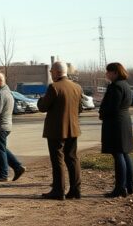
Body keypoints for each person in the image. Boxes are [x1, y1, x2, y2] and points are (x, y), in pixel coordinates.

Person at [37, 61, 83, 200]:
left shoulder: (54, 87)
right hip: (73, 128)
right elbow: (80, 109)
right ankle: (75, 190)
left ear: (57, 72)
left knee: (58, 160)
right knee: (72, 158)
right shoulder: (77, 87)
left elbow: (43, 107)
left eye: (51, 71)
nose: (51, 73)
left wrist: (40, 100)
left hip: (56, 130)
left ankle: (59, 190)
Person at [99, 62, 133, 197]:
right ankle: (130, 185)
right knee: (125, 153)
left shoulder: (115, 87)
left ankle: (120, 188)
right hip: (124, 121)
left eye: (108, 72)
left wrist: (102, 114)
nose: (106, 74)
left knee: (118, 154)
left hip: (115, 124)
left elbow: (112, 107)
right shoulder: (125, 85)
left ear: (114, 72)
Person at [0, 71, 26, 182]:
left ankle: (3, 174)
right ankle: (17, 167)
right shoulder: (8, 92)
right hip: (5, 125)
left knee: (0, 150)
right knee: (2, 149)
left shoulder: (0, 94)